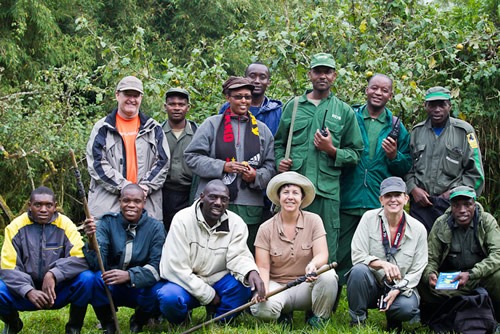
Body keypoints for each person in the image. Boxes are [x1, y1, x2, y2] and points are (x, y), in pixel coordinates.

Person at [274, 52, 363, 263]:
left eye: (327, 72)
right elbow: (278, 144)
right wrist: (280, 161)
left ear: (334, 76)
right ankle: (291, 294)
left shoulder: (344, 111)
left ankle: (325, 295)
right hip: (294, 192)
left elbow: (355, 154)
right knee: (290, 249)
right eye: (318, 71)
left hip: (326, 194)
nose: (322, 76)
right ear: (310, 75)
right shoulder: (293, 106)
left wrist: (331, 149)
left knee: (325, 252)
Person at [184, 76, 276, 253]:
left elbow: (271, 166)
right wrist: (222, 167)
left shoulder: (262, 130)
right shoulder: (212, 124)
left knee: (244, 253)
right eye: (238, 96)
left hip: (249, 206)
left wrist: (256, 176)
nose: (243, 101)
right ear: (228, 97)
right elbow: (191, 157)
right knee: (209, 252)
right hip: (213, 202)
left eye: (247, 97)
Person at [157, 180, 265, 325]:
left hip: (218, 279)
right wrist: (208, 295)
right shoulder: (182, 220)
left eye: (224, 199)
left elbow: (238, 256)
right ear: (201, 197)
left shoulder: (236, 223)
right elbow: (175, 268)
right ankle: (181, 320)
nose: (218, 203)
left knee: (242, 287)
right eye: (213, 197)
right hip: (186, 282)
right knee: (168, 296)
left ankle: (219, 321)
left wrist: (251, 272)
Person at [338, 74, 412, 284]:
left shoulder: (396, 126)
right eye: (374, 88)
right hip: (348, 197)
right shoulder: (350, 117)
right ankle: (330, 305)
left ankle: (373, 298)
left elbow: (405, 166)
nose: (378, 93)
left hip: (376, 201)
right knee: (340, 254)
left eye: (384, 90)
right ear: (367, 90)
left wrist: (393, 156)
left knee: (377, 256)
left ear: (390, 95)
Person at [250, 172, 338, 328]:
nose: (290, 197)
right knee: (261, 309)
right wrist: (263, 290)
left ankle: (318, 319)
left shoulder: (314, 220)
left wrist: (313, 265)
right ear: (279, 197)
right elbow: (263, 266)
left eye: (295, 193)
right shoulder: (265, 228)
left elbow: (322, 254)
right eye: (285, 192)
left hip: (305, 284)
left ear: (302, 198)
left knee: (328, 276)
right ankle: (283, 313)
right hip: (278, 286)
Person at [0, 186, 93, 334]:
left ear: (55, 207)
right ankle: (13, 323)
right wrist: (28, 290)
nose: (43, 209)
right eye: (38, 205)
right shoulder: (15, 227)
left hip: (57, 291)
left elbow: (80, 257)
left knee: (87, 279)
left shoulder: (65, 224)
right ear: (30, 206)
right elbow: (7, 267)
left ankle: (74, 328)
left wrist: (54, 274)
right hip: (26, 293)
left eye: (48, 205)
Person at [347, 177, 428, 332]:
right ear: (381, 200)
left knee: (406, 308)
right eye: (388, 196)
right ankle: (358, 321)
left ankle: (393, 319)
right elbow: (357, 255)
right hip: (373, 283)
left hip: (401, 287)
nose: (393, 200)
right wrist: (382, 263)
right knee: (358, 271)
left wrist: (397, 288)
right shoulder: (368, 218)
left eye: (397, 195)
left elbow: (418, 269)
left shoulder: (418, 229)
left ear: (406, 199)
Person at [84, 184, 166, 333]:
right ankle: (108, 322)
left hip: (140, 287)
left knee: (159, 289)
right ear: (120, 201)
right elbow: (97, 264)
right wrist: (91, 239)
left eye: (136, 201)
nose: (131, 205)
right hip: (113, 285)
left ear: (144, 203)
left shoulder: (156, 228)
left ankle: (140, 319)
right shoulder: (106, 222)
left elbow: (157, 267)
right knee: (94, 279)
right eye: (126, 200)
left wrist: (130, 276)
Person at [86, 75, 170, 221]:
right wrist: (126, 188)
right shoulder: (102, 128)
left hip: (146, 208)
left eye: (136, 95)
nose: (132, 99)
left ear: (141, 98)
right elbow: (96, 164)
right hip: (108, 208)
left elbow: (163, 162)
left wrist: (143, 188)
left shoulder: (154, 128)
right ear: (117, 95)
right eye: (127, 94)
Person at [405, 86, 484, 232]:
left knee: (451, 250)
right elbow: (407, 167)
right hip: (421, 205)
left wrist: (455, 193)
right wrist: (413, 189)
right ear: (425, 106)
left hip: (452, 205)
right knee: (420, 250)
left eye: (442, 104)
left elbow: (476, 173)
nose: (437, 109)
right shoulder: (417, 132)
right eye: (432, 105)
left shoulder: (464, 131)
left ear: (449, 106)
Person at [418, 185, 500, 323]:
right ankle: (436, 317)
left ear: (474, 204)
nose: (462, 210)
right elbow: (431, 258)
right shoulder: (441, 223)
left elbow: (497, 254)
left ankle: (497, 318)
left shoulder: (486, 221)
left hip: (480, 277)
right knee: (421, 280)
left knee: (498, 276)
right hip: (453, 281)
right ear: (451, 206)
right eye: (457, 205)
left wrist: (472, 274)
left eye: (467, 205)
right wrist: (430, 274)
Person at [161, 87, 197, 232]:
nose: (176, 108)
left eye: (181, 104)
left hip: (188, 193)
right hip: (162, 193)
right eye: (172, 104)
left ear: (188, 108)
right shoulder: (156, 132)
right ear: (165, 107)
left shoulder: (197, 133)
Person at [218, 62, 283, 136]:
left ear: (268, 82)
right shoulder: (229, 107)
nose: (257, 81)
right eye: (252, 76)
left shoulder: (276, 111)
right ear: (245, 79)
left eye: (262, 77)